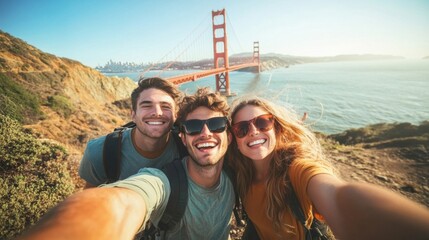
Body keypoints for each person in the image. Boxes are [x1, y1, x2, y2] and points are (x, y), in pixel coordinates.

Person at [17, 87, 235, 240]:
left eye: (216, 125)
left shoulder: (236, 172)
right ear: (183, 136)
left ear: (230, 135)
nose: (206, 133)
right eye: (195, 127)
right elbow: (125, 202)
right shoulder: (161, 179)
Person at [227, 96, 429, 240]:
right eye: (242, 128)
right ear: (234, 139)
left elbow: (337, 194)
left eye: (262, 123)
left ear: (277, 128)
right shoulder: (239, 174)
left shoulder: (297, 170)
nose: (253, 132)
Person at [79, 77, 184, 188]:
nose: (157, 113)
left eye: (165, 106)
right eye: (147, 106)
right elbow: (90, 199)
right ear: (133, 115)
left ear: (175, 116)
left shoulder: (187, 149)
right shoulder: (99, 152)